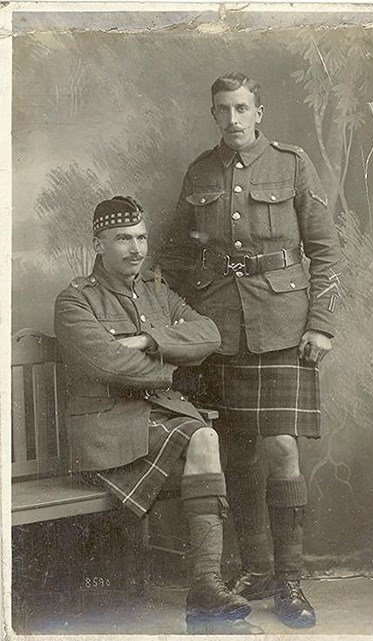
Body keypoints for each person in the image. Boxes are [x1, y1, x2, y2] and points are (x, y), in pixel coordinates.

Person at [168, 72, 342, 629]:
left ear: (259, 111)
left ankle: (291, 580)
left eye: (243, 108)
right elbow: (174, 253)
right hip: (220, 332)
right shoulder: (200, 171)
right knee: (236, 455)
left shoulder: (292, 165)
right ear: (214, 114)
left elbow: (326, 251)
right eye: (223, 110)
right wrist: (186, 319)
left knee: (282, 450)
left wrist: (321, 325)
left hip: (283, 327)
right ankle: (258, 569)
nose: (234, 119)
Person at [54, 195, 264, 635]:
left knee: (206, 437)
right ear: (99, 244)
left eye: (141, 237)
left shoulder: (156, 292)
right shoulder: (75, 301)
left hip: (155, 419)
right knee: (202, 440)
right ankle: (204, 587)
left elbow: (209, 334)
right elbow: (108, 365)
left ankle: (206, 586)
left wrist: (148, 341)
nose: (136, 248)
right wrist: (171, 360)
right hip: (106, 430)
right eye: (123, 239)